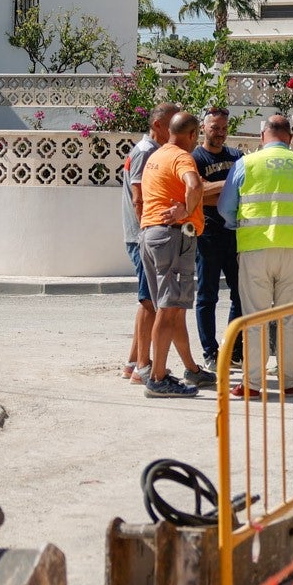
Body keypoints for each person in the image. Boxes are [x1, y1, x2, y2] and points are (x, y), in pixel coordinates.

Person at [219, 113, 293, 394]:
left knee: (255, 317)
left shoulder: (246, 164)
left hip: (255, 248)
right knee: (290, 318)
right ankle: (290, 383)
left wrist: (238, 224)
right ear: (289, 137)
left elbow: (226, 207)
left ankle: (252, 384)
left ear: (263, 136)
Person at [138, 112, 208, 397]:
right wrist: (187, 210)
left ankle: (191, 369)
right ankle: (157, 378)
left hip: (151, 235)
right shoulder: (182, 157)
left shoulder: (157, 156)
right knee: (168, 311)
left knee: (173, 309)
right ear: (192, 135)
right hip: (173, 237)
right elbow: (194, 184)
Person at [121, 102, 180, 382]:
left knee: (147, 299)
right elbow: (138, 197)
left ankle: (133, 362)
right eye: (171, 124)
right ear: (158, 125)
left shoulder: (151, 151)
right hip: (144, 235)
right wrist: (149, 231)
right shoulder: (147, 152)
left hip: (141, 234)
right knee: (149, 302)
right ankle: (144, 366)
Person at [192, 107, 245, 376]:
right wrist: (229, 187)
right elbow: (197, 193)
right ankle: (210, 352)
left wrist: (212, 191)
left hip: (235, 232)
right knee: (207, 295)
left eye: (224, 128)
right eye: (215, 128)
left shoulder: (236, 156)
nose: (221, 133)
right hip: (208, 233)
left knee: (241, 293)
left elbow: (243, 191)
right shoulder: (194, 158)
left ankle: (234, 350)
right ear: (204, 128)